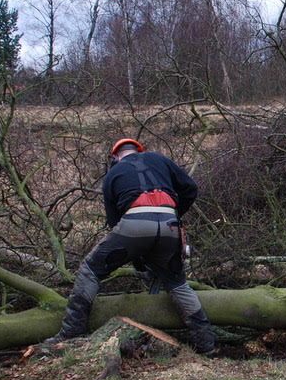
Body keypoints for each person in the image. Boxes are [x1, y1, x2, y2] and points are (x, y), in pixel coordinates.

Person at [43, 138, 216, 355]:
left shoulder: (112, 175)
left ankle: (70, 333)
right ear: (138, 150)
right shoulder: (159, 159)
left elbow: (115, 223)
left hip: (134, 222)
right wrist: (173, 214)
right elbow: (190, 188)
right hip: (170, 223)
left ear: (115, 157)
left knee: (90, 270)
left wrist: (137, 251)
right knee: (178, 284)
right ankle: (206, 345)